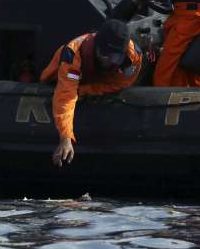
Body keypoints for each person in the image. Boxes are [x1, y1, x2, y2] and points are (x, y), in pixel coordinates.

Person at [40, 19, 142, 167]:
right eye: (105, 55)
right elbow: (66, 96)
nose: (109, 61)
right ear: (97, 48)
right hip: (66, 74)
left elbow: (122, 83)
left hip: (100, 80)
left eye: (115, 57)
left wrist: (87, 90)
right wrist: (66, 137)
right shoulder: (73, 53)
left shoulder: (133, 58)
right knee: (52, 81)